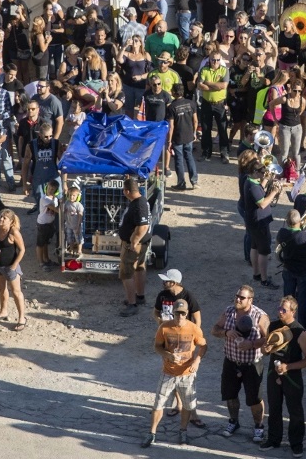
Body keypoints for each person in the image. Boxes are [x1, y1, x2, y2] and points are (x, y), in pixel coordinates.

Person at [142, 297, 208, 448]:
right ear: (173, 312)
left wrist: (197, 361)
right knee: (158, 404)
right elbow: (157, 346)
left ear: (187, 313)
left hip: (187, 374)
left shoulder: (193, 328)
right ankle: (152, 433)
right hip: (168, 372)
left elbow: (204, 345)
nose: (180, 316)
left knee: (187, 405)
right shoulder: (164, 328)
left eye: (183, 313)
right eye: (177, 313)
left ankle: (183, 431)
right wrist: (168, 355)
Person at [211, 284, 270, 442]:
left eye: (241, 297)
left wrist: (251, 344)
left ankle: (258, 426)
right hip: (231, 361)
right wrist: (226, 332)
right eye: (237, 296)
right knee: (230, 395)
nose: (237, 299)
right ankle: (233, 421)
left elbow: (270, 339)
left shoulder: (259, 316)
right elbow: (214, 329)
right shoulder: (229, 311)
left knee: (255, 399)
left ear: (250, 299)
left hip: (252, 363)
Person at [261, 295, 306, 455]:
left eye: (283, 310)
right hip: (273, 373)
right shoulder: (274, 326)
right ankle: (273, 439)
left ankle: (296, 444)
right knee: (274, 408)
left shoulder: (300, 332)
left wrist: (288, 367)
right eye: (279, 308)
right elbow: (265, 350)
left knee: (295, 411)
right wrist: (266, 349)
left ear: (293, 312)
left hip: (292, 377)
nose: (280, 312)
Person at [243, 161, 282, 289]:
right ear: (255, 172)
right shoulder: (253, 186)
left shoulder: (251, 181)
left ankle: (256, 274)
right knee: (264, 251)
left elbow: (259, 190)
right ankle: (264, 279)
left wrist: (265, 180)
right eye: (262, 172)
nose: (264, 174)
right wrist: (274, 192)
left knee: (254, 247)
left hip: (253, 221)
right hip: (259, 222)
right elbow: (263, 204)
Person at [275, 209, 306, 330]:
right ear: (299, 221)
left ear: (287, 221)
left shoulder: (282, 233)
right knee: (303, 301)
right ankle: (303, 329)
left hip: (288, 269)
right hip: (303, 271)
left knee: (287, 299)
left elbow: (279, 245)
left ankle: (285, 326)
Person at [118, 176, 151, 316]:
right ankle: (140, 296)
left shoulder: (139, 205)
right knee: (139, 268)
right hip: (141, 243)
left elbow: (143, 226)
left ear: (126, 191)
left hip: (134, 245)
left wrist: (133, 242)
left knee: (126, 273)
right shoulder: (141, 201)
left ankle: (132, 304)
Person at [0, 209, 27, 331]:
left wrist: (14, 266)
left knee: (16, 292)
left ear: (11, 221)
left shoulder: (13, 232)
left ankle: (22, 318)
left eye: (4, 218)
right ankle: (3, 311)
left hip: (10, 266)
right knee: (1, 289)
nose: (1, 219)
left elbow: (22, 250)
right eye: (0, 217)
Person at [167, 83, 199, 190]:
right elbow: (195, 120)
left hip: (178, 137)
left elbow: (171, 126)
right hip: (189, 135)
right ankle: (194, 181)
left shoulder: (172, 107)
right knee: (189, 157)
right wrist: (194, 133)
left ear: (174, 93)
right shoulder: (191, 103)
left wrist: (169, 141)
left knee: (179, 160)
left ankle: (181, 183)